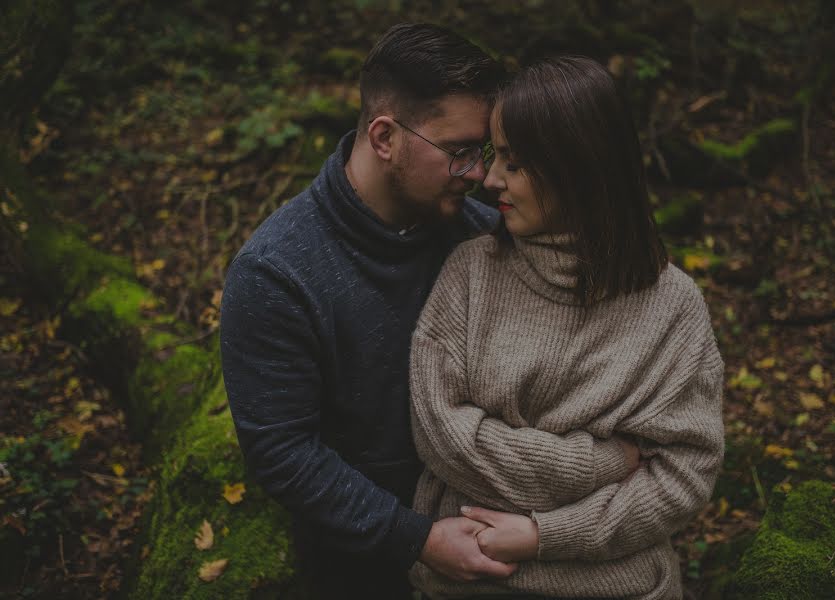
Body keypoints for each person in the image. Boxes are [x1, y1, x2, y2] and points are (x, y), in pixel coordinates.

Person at [408, 56, 725, 599]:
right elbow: (440, 434)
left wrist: (542, 535)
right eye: (493, 154)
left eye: (515, 161)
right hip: (469, 577)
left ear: (580, 167)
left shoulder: (671, 307)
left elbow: (683, 474)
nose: (489, 178)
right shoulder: (470, 273)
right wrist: (601, 461)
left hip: (619, 587)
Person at [219, 23, 518, 598]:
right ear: (385, 138)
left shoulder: (484, 236)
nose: (478, 174)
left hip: (500, 544)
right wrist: (418, 539)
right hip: (356, 566)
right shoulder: (276, 272)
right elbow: (283, 453)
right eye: (458, 152)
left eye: (481, 153)